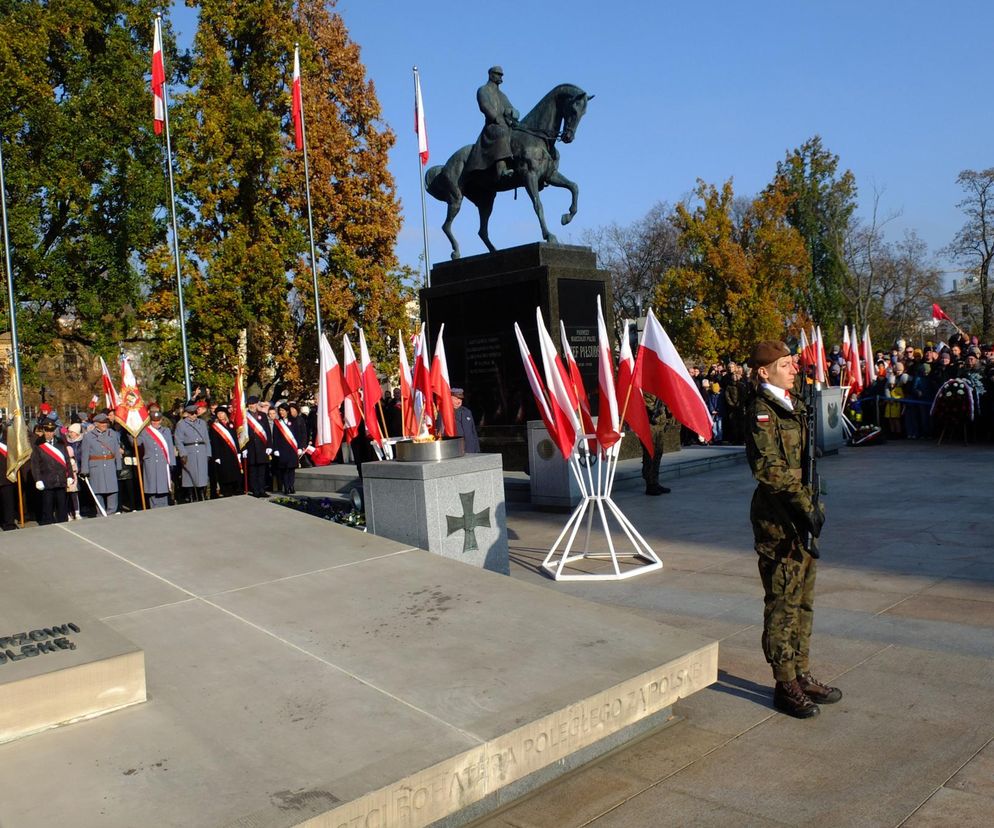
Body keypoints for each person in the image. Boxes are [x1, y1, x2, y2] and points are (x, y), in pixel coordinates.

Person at [745, 340, 840, 719]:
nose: (794, 368)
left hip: (802, 512)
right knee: (782, 601)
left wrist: (815, 504)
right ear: (764, 372)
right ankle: (784, 683)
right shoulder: (761, 411)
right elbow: (769, 469)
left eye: (793, 362)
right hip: (778, 518)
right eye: (785, 364)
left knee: (803, 598)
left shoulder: (793, 404)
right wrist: (804, 506)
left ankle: (801, 671)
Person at [468, 66, 519, 180]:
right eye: (498, 74)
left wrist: (513, 113)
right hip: (492, 126)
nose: (500, 77)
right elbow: (485, 106)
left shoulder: (502, 95)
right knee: (501, 132)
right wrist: (496, 118)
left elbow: (510, 107)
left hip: (506, 124)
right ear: (491, 75)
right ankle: (501, 169)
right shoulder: (483, 90)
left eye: (501, 75)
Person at [79, 412, 122, 515]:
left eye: (106, 423)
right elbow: (85, 455)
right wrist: (85, 470)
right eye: (102, 423)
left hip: (110, 465)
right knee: (97, 492)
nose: (104, 425)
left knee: (113, 491)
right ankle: (101, 513)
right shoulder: (88, 436)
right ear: (96, 424)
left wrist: (119, 466)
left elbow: (117, 451)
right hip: (96, 467)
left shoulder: (113, 434)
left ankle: (112, 512)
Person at [31, 421, 71, 525]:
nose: (49, 433)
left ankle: (64, 525)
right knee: (47, 507)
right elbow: (35, 464)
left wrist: (70, 475)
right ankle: (47, 527)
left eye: (51, 431)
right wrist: (38, 479)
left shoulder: (61, 443)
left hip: (60, 479)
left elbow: (67, 460)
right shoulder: (38, 445)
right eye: (47, 431)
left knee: (62, 507)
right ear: (44, 431)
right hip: (47, 480)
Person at [174, 403, 211, 502]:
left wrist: (208, 453)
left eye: (195, 413)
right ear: (187, 413)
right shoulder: (181, 424)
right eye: (191, 413)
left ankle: (202, 495)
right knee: (189, 475)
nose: (194, 415)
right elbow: (178, 440)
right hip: (189, 450)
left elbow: (207, 439)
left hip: (201, 450)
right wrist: (183, 453)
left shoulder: (202, 423)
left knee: (202, 474)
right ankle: (190, 496)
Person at [138, 410, 175, 508]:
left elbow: (170, 447)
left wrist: (172, 463)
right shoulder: (145, 431)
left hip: (163, 462)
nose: (155, 423)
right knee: (152, 487)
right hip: (151, 463)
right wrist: (131, 433)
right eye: (153, 421)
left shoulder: (166, 430)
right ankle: (154, 508)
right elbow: (136, 443)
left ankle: (164, 506)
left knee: (163, 487)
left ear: (161, 420)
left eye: (157, 420)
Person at [209, 405, 243, 497]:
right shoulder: (215, 426)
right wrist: (216, 456)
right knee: (224, 472)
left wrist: (238, 452)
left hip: (232, 451)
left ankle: (235, 488)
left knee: (234, 470)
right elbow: (214, 442)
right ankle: (225, 490)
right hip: (222, 453)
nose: (220, 415)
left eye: (222, 413)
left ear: (225, 414)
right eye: (218, 413)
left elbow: (235, 439)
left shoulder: (231, 424)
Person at [642, 395, 670, 496]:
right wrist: (654, 409)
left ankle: (655, 481)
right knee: (650, 454)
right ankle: (649, 484)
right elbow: (645, 403)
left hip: (660, 425)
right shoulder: (645, 389)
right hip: (649, 425)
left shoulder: (657, 389)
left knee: (658, 453)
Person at [271, 402, 301, 494]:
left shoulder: (294, 421)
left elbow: (298, 435)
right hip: (282, 449)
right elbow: (275, 437)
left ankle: (291, 486)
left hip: (292, 448)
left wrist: (300, 447)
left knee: (291, 469)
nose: (281, 412)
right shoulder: (277, 423)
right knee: (284, 469)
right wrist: (275, 449)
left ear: (287, 411)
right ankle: (286, 487)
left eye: (283, 410)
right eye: (280, 411)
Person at [245, 395, 272, 497]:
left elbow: (267, 431)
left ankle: (262, 490)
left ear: (257, 404)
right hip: (250, 447)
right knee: (252, 470)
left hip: (262, 447)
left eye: (254, 404)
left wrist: (269, 445)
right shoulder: (245, 416)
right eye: (250, 404)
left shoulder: (263, 415)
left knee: (262, 470)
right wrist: (243, 448)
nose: (252, 406)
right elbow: (241, 434)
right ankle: (255, 490)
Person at [451, 388, 480, 452]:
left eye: (460, 399)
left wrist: (477, 449)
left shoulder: (467, 412)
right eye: (456, 399)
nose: (459, 401)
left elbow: (473, 431)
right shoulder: (445, 413)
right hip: (456, 450)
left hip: (470, 449)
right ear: (450, 398)